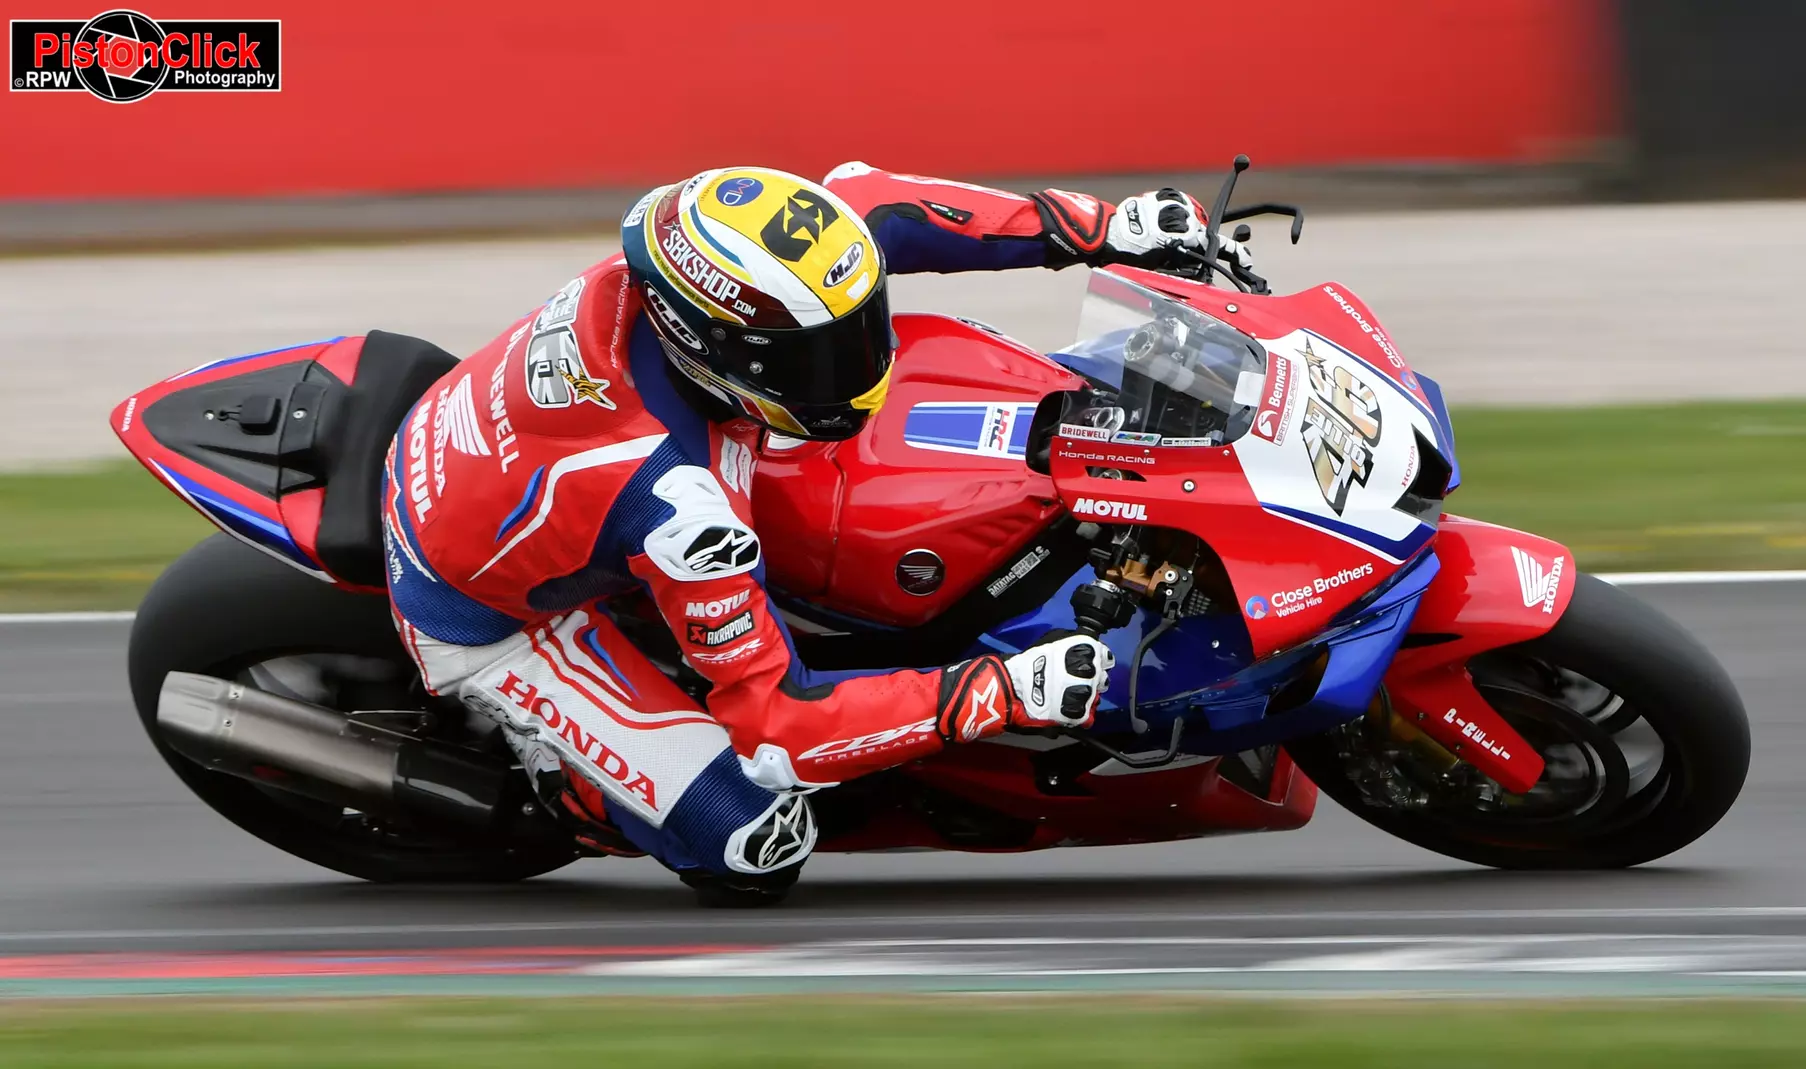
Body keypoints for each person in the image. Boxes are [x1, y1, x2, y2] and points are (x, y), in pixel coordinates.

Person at [379, 163, 1252, 902]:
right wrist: (1003, 687)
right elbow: (781, 727)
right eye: (825, 356)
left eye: (862, 325)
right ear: (725, 354)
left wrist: (1111, 227)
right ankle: (570, 786)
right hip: (490, 613)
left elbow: (883, 204)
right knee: (755, 840)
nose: (863, 360)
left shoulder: (725, 259)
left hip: (502, 464)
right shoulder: (679, 505)